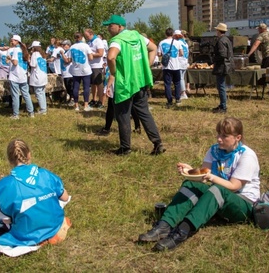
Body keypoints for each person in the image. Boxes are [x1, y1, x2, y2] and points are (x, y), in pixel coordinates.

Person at [138, 117, 260, 251]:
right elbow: (204, 176)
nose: (219, 139)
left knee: (216, 190)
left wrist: (210, 176)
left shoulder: (246, 156)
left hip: (243, 203)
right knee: (191, 185)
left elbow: (234, 186)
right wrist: (190, 171)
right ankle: (164, 225)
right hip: (220, 195)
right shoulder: (214, 150)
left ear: (238, 137)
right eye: (218, 134)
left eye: (225, 136)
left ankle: (181, 232)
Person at [104, 14, 165, 156]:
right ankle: (157, 143)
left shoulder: (116, 41)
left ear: (120, 26)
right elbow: (153, 48)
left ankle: (125, 148)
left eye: (110, 25)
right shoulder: (137, 36)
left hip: (125, 83)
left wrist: (113, 72)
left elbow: (111, 57)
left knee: (123, 115)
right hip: (140, 81)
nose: (108, 28)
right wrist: (146, 65)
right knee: (144, 112)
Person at [0, 139, 71, 246]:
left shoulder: (6, 185)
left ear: (9, 160)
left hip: (27, 234)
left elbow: (4, 219)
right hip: (54, 225)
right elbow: (65, 198)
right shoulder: (45, 174)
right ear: (29, 155)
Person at [247, 23, 269, 94]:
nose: (258, 31)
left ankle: (261, 87)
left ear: (261, 29)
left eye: (259, 29)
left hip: (268, 56)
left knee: (263, 72)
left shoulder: (261, 36)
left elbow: (255, 44)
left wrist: (249, 54)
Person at [6, 35, 34, 119]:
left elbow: (15, 63)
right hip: (23, 75)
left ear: (17, 41)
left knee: (15, 95)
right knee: (26, 94)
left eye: (13, 40)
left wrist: (10, 58)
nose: (11, 42)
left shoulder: (15, 50)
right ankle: (31, 112)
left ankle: (16, 114)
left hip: (15, 75)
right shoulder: (24, 50)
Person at [210, 23, 234, 114]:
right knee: (221, 86)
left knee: (221, 87)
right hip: (225, 65)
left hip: (222, 66)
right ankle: (222, 105)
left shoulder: (221, 40)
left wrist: (213, 60)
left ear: (218, 31)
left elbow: (222, 54)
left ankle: (223, 107)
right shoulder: (226, 39)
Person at [158, 28, 184, 108]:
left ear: (165, 34)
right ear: (172, 34)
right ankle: (178, 99)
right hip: (176, 66)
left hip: (166, 67)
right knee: (177, 83)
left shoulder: (161, 42)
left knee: (167, 84)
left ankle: (169, 101)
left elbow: (159, 54)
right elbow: (181, 53)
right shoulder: (177, 42)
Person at [69, 32, 94, 112]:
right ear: (82, 37)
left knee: (75, 87)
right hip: (85, 69)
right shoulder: (86, 46)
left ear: (74, 38)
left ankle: (76, 106)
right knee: (86, 87)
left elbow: (69, 59)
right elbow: (91, 58)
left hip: (75, 70)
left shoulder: (72, 47)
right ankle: (86, 105)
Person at [84, 28, 105, 108]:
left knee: (99, 84)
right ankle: (94, 99)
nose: (86, 37)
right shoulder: (89, 42)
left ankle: (101, 101)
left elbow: (100, 53)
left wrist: (90, 54)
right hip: (90, 65)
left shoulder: (98, 41)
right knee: (93, 83)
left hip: (97, 66)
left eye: (87, 35)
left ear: (91, 33)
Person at [29, 41, 48, 115]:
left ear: (34, 48)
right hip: (43, 75)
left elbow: (33, 65)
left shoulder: (34, 54)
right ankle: (44, 108)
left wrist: (29, 60)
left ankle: (43, 109)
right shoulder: (42, 54)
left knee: (38, 93)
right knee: (42, 93)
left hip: (37, 76)